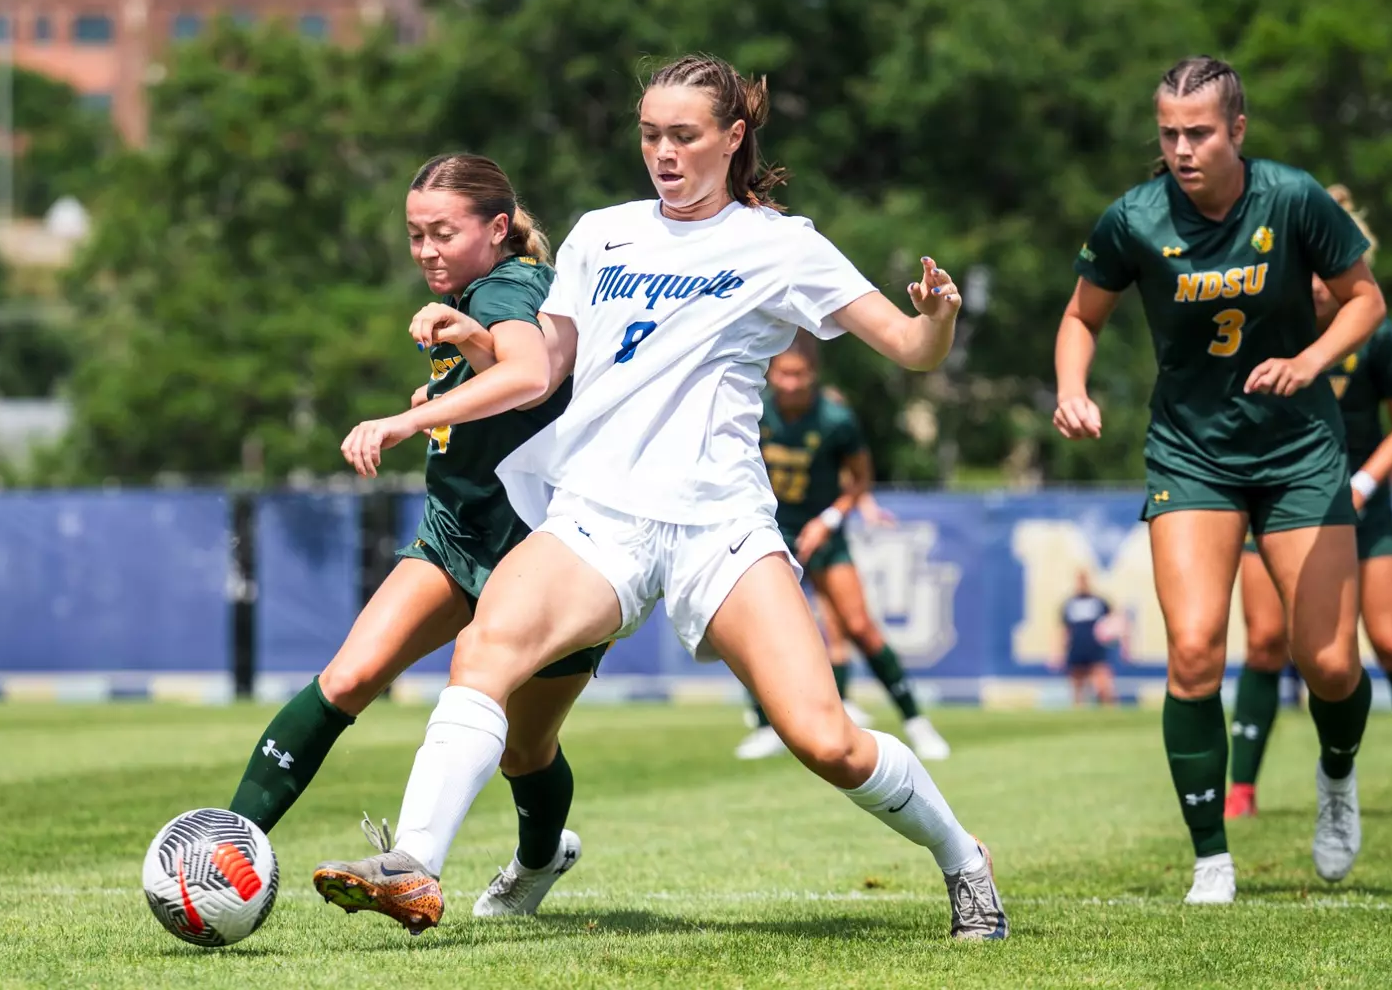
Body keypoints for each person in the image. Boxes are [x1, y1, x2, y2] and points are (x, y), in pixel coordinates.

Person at [316, 54, 1008, 940]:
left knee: (824, 739)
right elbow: (544, 372)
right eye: (650, 135)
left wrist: (939, 318)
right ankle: (413, 864)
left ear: (733, 136)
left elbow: (911, 349)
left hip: (719, 525)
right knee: (484, 652)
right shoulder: (601, 234)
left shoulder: (783, 245)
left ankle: (962, 857)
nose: (664, 153)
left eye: (684, 135)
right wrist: (461, 359)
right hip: (597, 515)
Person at [224, 153, 606, 919]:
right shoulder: (476, 296)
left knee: (523, 749)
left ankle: (539, 859)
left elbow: (528, 374)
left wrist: (408, 418)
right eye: (414, 234)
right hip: (455, 534)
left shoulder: (508, 287)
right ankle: (225, 844)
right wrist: (448, 379)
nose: (426, 250)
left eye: (442, 232)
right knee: (347, 678)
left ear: (497, 228)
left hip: (548, 555)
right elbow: (510, 381)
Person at [1054, 56, 1387, 906]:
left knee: (1329, 664)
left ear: (1237, 130)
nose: (1182, 149)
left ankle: (1337, 774)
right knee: (1196, 649)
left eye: (1199, 132)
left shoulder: (1293, 198)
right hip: (1191, 456)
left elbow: (1365, 301)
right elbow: (1081, 316)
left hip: (1299, 452)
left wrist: (1309, 362)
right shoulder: (1133, 217)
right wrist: (1071, 388)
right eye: (1169, 133)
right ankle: (1211, 858)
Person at [1227, 193, 1392, 819]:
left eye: (1327, 267)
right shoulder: (1257, 325)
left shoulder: (1376, 337)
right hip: (1274, 501)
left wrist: (1363, 483)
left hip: (1358, 507)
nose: (1316, 281)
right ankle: (1240, 791)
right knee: (1266, 643)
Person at [735, 333, 951, 761]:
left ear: (813, 374)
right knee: (755, 628)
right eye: (783, 373)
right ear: (771, 372)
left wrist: (828, 520)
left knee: (858, 625)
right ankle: (764, 724)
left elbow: (860, 480)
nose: (790, 383)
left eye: (799, 374)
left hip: (823, 533)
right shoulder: (753, 411)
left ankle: (916, 721)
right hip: (768, 531)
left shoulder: (835, 420)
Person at [1054, 570, 1120, 706]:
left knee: (1103, 683)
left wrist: (1116, 639)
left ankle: (1110, 709)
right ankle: (1078, 709)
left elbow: (1113, 622)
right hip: (1076, 648)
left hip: (1095, 649)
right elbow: (1064, 629)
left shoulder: (1099, 602)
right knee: (1077, 685)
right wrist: (1058, 652)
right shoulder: (1069, 604)